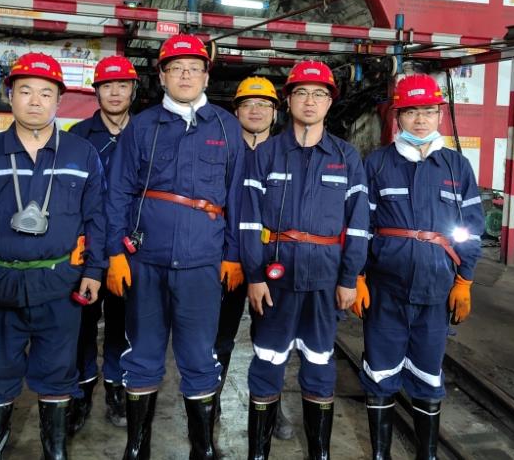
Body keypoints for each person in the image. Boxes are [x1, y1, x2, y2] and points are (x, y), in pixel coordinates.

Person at [0, 53, 107, 460]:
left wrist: (95, 269)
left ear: (59, 101)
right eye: (26, 91)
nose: (35, 101)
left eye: (46, 93)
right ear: (9, 96)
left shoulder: (81, 154)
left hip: (60, 283)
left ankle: (56, 452)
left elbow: (98, 217)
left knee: (58, 374)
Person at [106, 34, 245, 459]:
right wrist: (114, 253)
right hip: (146, 261)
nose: (186, 75)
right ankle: (137, 448)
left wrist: (234, 255)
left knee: (200, 356)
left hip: (203, 263)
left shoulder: (226, 127)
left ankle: (202, 448)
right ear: (162, 77)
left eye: (194, 68)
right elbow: (118, 192)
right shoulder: (142, 127)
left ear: (206, 76)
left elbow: (238, 197)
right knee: (143, 354)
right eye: (176, 68)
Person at [240, 60, 369, 460]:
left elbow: (359, 225)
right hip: (274, 280)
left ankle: (319, 453)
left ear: (330, 102)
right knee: (267, 362)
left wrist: (350, 277)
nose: (310, 101)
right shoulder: (266, 154)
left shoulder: (347, 158)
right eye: (301, 92)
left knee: (320, 363)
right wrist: (254, 275)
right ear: (288, 101)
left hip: (325, 279)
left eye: (319, 94)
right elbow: (249, 222)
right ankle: (258, 453)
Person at [358, 74, 483, 459]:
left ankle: (426, 455)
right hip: (385, 290)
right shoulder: (378, 163)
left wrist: (465, 279)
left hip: (436, 290)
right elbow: (361, 226)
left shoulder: (457, 167)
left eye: (428, 111)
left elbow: (470, 229)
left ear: (440, 115)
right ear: (398, 117)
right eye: (411, 112)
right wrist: (356, 275)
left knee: (428, 376)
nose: (420, 120)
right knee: (380, 373)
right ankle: (381, 454)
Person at [212, 76, 295, 440]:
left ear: (276, 112)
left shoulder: (287, 154)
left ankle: (271, 408)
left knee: (272, 337)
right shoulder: (222, 150)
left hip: (270, 260)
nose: (256, 110)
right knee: (220, 336)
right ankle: (211, 401)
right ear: (236, 111)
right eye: (247, 104)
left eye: (264, 105)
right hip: (226, 258)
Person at [67, 55, 139, 434]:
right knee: (82, 325)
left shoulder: (146, 134)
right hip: (86, 250)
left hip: (130, 251)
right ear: (96, 91)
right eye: (107, 86)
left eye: (122, 85)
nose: (114, 93)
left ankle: (115, 389)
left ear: (133, 90)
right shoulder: (77, 136)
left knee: (122, 325)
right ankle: (81, 393)